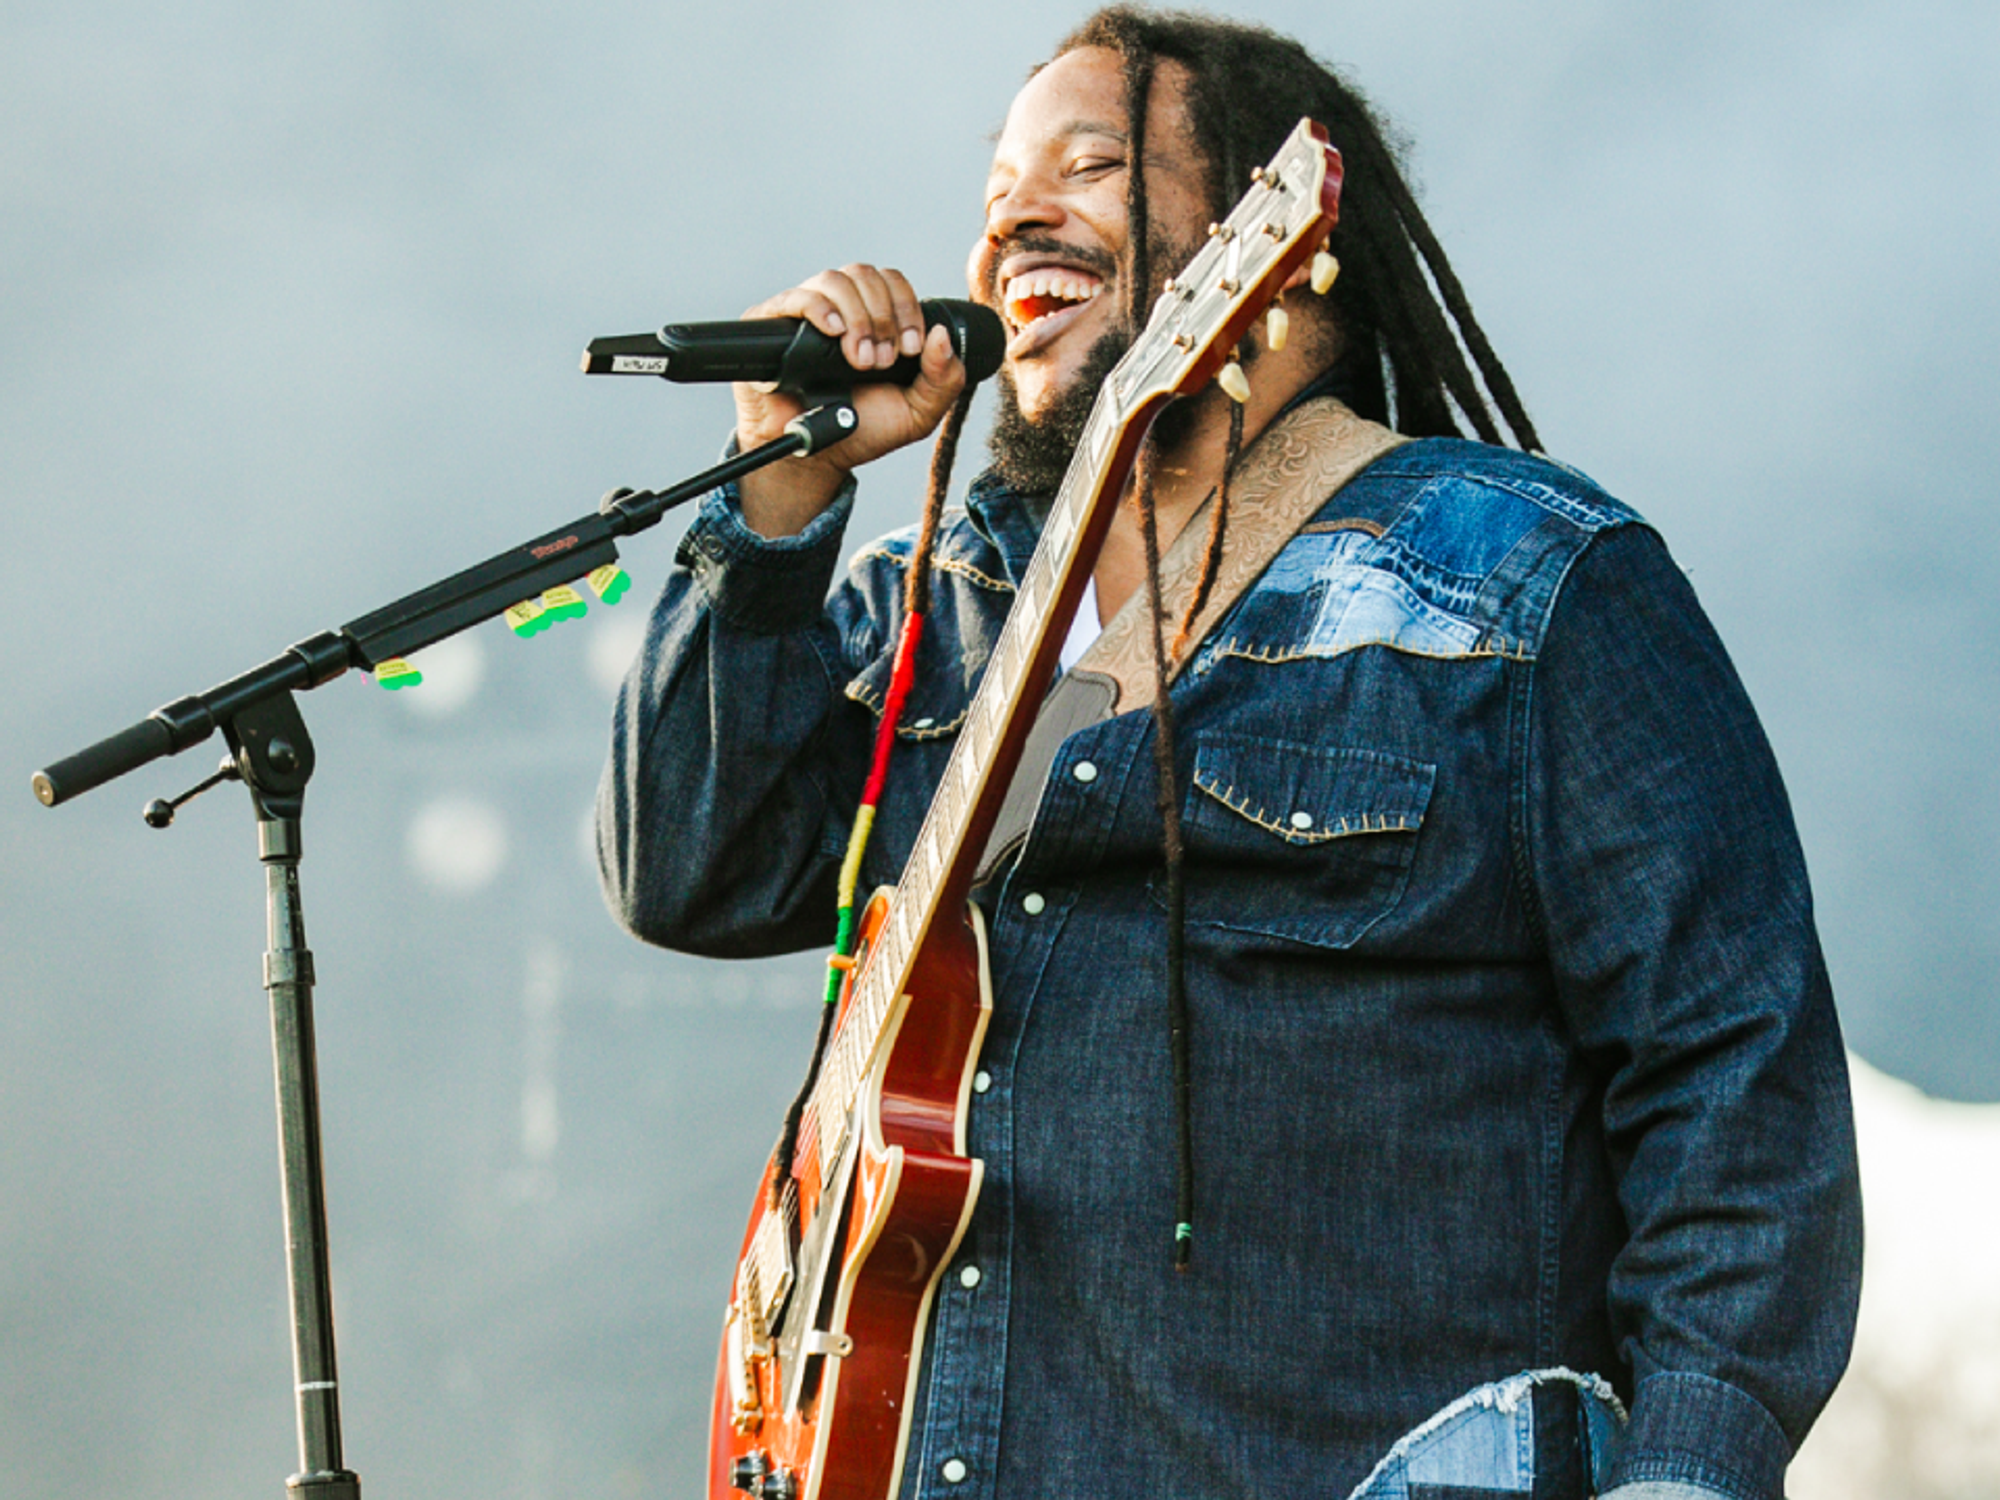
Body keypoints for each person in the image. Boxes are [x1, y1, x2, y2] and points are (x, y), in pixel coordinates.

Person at [597, 8, 1862, 1499]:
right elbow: (693, 869)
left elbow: (1739, 1086)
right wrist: (785, 491)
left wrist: (1688, 1477)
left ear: (1276, 246)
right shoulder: (933, 597)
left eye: (1091, 163)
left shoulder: (1522, 575)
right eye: (999, 182)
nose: (1014, 216)